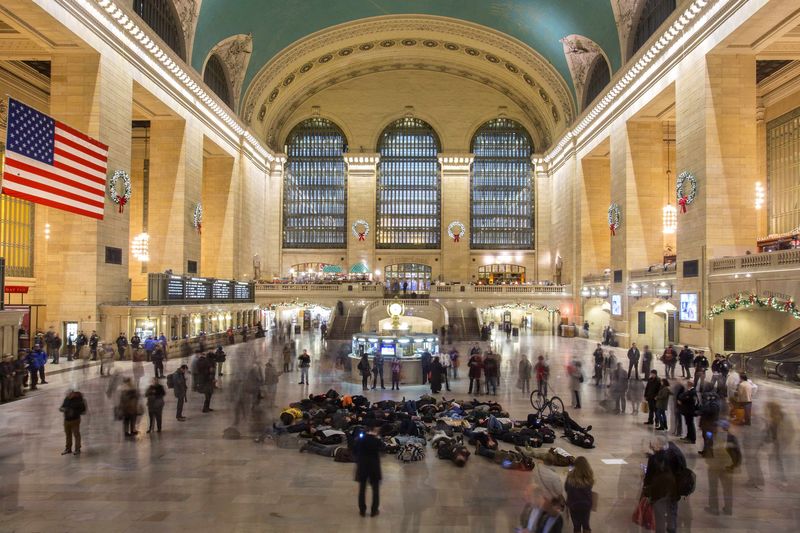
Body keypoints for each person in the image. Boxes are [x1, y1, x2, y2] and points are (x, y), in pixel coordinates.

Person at [642, 436, 686, 533]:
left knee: (659, 515)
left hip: (658, 491)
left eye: (653, 446)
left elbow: (648, 476)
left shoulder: (654, 458)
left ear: (658, 446)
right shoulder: (675, 453)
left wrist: (645, 491)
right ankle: (672, 529)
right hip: (673, 490)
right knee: (672, 511)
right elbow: (682, 470)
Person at [518, 466, 565, 533]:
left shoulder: (552, 515)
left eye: (529, 497)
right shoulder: (529, 507)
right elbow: (523, 523)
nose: (527, 501)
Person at [353, 424, 382, 517]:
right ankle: (374, 510)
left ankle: (362, 510)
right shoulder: (377, 440)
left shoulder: (360, 439)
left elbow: (354, 451)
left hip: (362, 465)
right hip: (374, 466)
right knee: (375, 490)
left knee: (362, 489)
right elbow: (382, 449)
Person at [564, 456, 594, 533]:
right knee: (586, 524)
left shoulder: (570, 476)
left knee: (576, 526)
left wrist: (570, 467)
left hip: (574, 505)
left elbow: (566, 488)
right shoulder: (589, 476)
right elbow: (590, 487)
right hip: (586, 504)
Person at [60, 390, 87, 455]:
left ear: (73, 394)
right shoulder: (66, 399)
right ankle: (68, 449)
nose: (68, 395)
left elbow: (83, 411)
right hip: (66, 420)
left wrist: (74, 412)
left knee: (76, 434)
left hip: (75, 420)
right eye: (67, 394)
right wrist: (63, 409)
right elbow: (62, 407)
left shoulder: (79, 400)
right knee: (68, 434)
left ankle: (77, 449)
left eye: (69, 394)